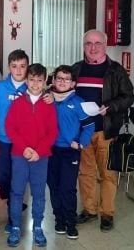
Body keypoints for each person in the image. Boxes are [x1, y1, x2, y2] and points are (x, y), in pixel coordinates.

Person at [72, 29, 134, 232]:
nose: (93, 47)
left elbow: (129, 97)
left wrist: (110, 106)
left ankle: (107, 213)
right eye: (88, 43)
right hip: (83, 132)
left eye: (97, 43)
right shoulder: (76, 69)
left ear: (105, 46)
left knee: (108, 174)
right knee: (85, 173)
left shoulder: (115, 70)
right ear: (83, 46)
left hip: (106, 132)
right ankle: (89, 210)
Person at [5, 63, 58, 247]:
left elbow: (53, 132)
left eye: (39, 80)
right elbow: (10, 128)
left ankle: (37, 226)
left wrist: (39, 151)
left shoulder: (49, 105)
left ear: (45, 82)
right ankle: (16, 226)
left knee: (39, 194)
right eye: (32, 80)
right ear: (26, 80)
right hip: (19, 155)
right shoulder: (17, 103)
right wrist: (24, 148)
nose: (35, 84)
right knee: (17, 192)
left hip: (40, 157)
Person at [47, 65, 95, 240]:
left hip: (69, 152)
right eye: (59, 78)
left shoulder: (78, 102)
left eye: (66, 79)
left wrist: (81, 144)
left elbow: (89, 126)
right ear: (53, 80)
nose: (62, 82)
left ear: (73, 83)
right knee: (53, 186)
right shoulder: (47, 99)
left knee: (67, 188)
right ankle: (59, 220)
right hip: (50, 150)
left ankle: (70, 222)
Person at [0, 49, 29, 233]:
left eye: (22, 66)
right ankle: (14, 201)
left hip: (23, 143)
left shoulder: (32, 89)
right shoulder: (0, 88)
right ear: (9, 67)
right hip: (3, 141)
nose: (19, 70)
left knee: (18, 179)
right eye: (14, 66)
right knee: (0, 175)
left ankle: (14, 219)